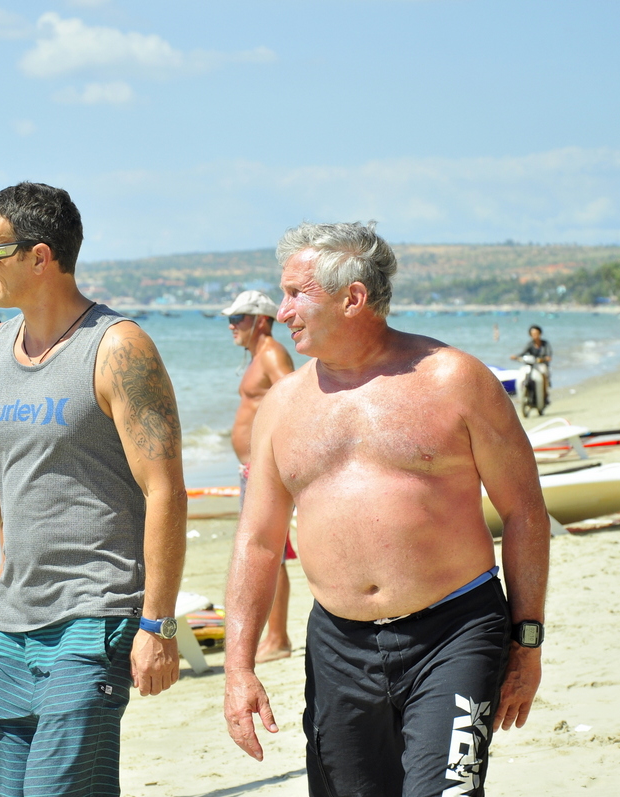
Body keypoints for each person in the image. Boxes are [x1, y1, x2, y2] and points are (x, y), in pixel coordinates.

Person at [223, 222, 549, 796]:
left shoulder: (455, 380)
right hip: (338, 647)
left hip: (454, 631)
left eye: (297, 293)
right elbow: (258, 542)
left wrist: (526, 642)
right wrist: (238, 668)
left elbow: (524, 513)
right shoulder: (282, 405)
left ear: (353, 297)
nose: (284, 310)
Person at [0, 182, 187, 797]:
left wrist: (159, 624)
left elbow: (165, 490)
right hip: (14, 622)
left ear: (40, 257)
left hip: (96, 613)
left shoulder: (118, 348)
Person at [222, 290, 295, 663]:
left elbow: (295, 400)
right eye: (231, 319)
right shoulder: (258, 356)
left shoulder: (271, 353)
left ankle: (278, 638)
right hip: (252, 470)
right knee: (266, 554)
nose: (232, 325)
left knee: (269, 554)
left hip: (263, 471)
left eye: (239, 318)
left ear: (262, 320)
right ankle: (274, 635)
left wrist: (275, 463)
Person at [511, 324, 552, 404]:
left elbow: (549, 355)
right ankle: (522, 395)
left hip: (541, 365)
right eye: (533, 334)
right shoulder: (530, 344)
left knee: (544, 374)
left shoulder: (545, 344)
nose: (535, 336)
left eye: (536, 333)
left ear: (540, 334)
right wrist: (516, 357)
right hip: (531, 364)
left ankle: (545, 395)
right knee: (523, 374)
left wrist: (545, 358)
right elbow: (523, 353)